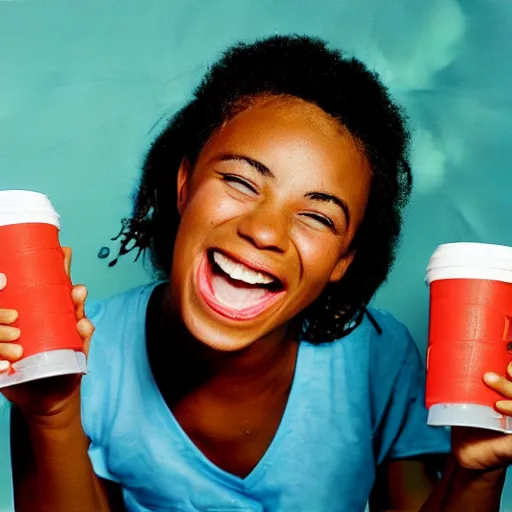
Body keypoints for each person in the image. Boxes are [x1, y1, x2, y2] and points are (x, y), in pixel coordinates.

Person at [1, 34, 511, 512]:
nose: (266, 232)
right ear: (184, 186)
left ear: (344, 261)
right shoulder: (83, 356)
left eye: (317, 215)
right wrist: (51, 415)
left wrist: (476, 470)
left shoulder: (378, 354)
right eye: (242, 181)